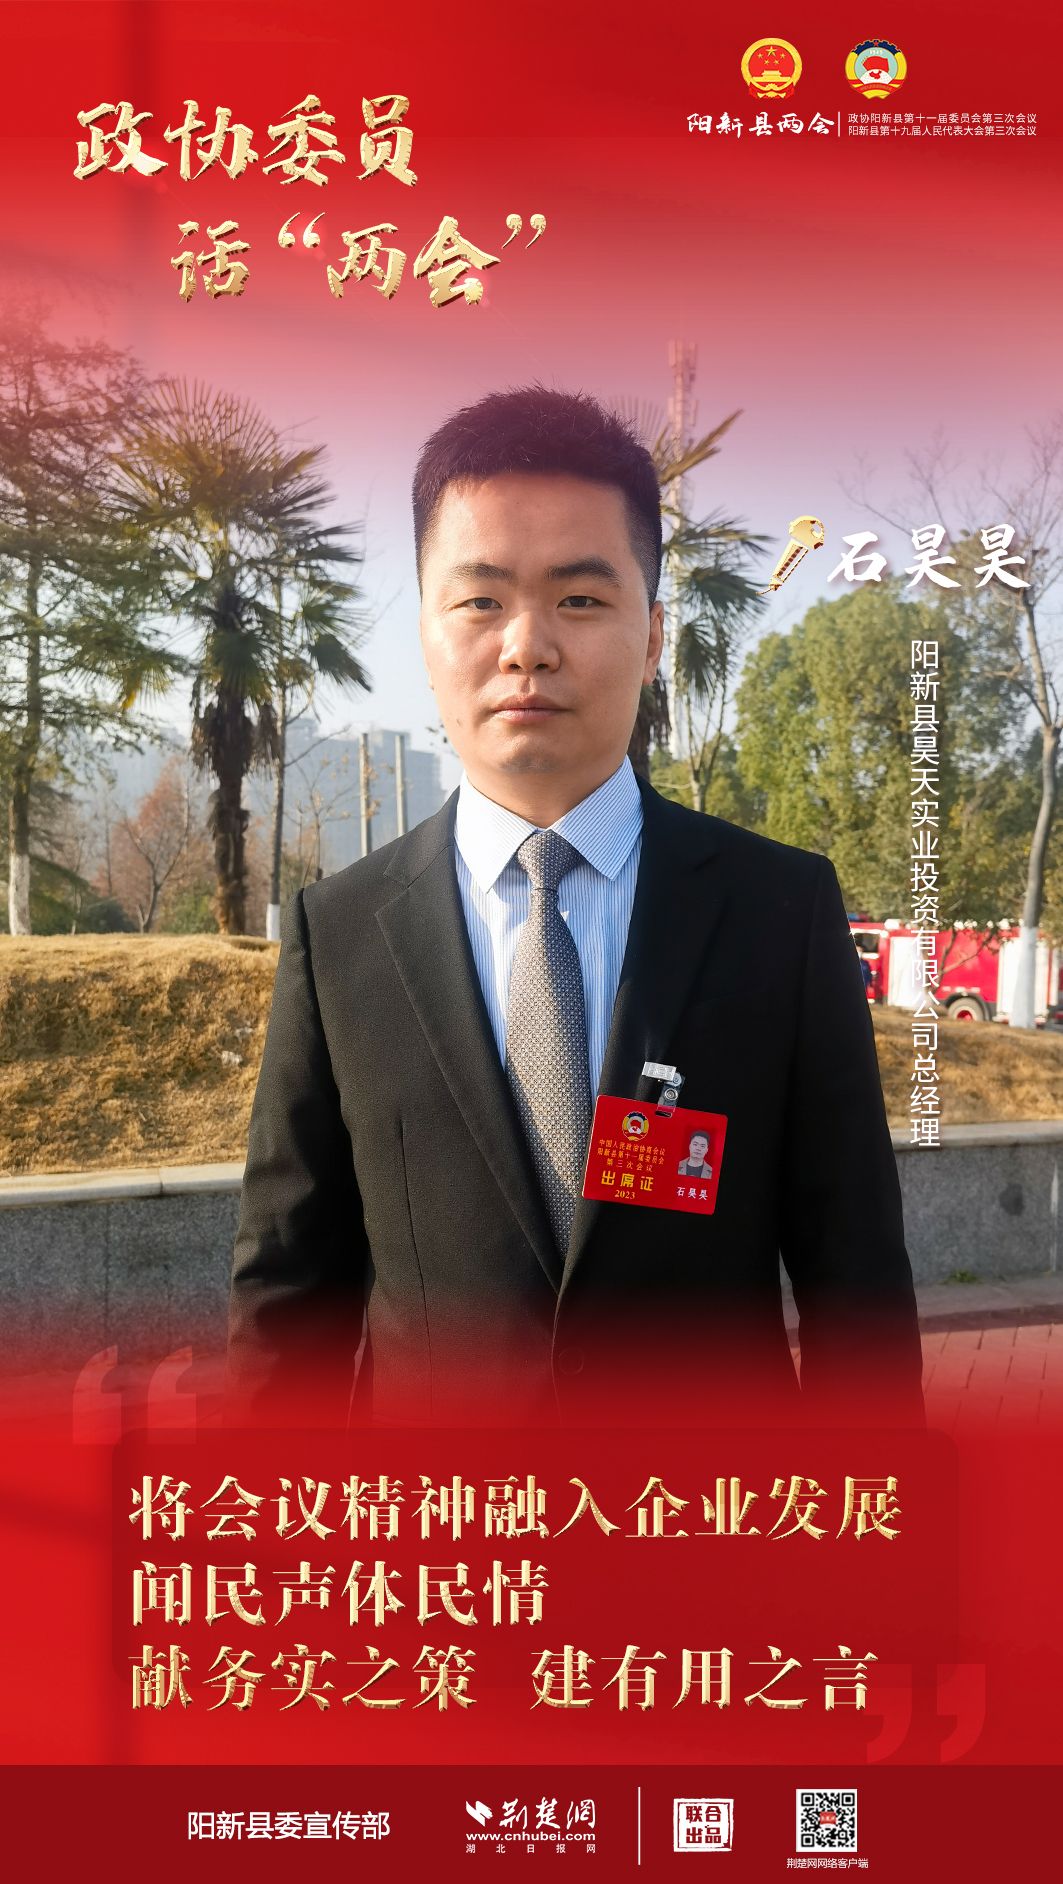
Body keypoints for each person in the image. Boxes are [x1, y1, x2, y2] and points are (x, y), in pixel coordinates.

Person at [227, 386, 924, 1429]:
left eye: (581, 600)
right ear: (425, 635)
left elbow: (854, 1280)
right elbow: (290, 1289)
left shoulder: (777, 911)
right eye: (480, 601)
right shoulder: (339, 935)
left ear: (651, 636)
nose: (527, 646)